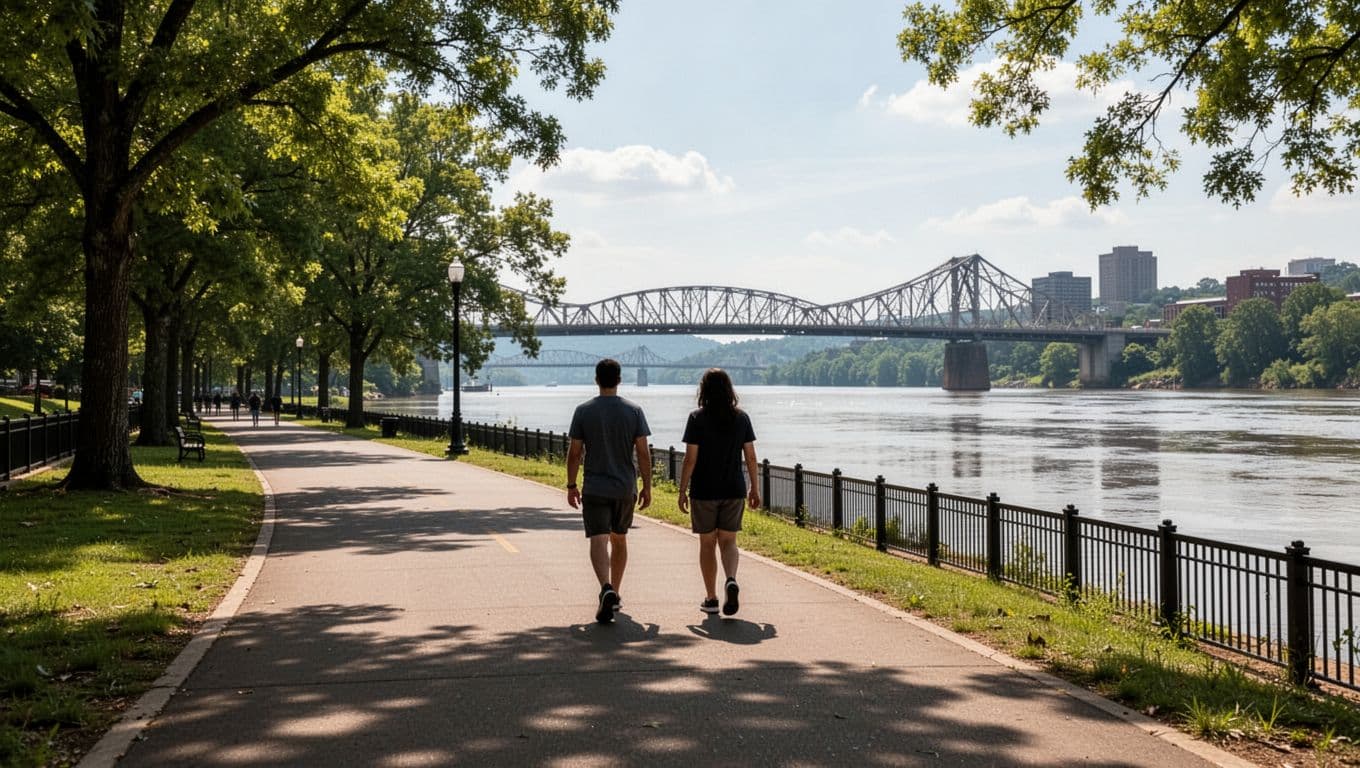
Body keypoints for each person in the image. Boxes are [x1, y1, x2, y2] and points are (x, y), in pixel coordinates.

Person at [566, 358, 652, 624]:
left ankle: (605, 588)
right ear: (619, 380)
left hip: (594, 487)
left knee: (598, 540)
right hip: (624, 487)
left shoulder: (583, 411)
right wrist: (647, 485)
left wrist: (571, 484)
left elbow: (575, 452)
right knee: (620, 539)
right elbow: (643, 452)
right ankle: (615, 590)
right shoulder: (634, 411)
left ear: (596, 380)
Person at [677, 368, 760, 616]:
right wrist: (755, 487)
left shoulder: (696, 418)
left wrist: (682, 490)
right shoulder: (741, 418)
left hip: (704, 490)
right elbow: (751, 456)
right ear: (729, 390)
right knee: (728, 541)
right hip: (734, 489)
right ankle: (731, 579)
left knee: (706, 543)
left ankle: (711, 598)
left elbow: (690, 459)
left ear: (703, 390)